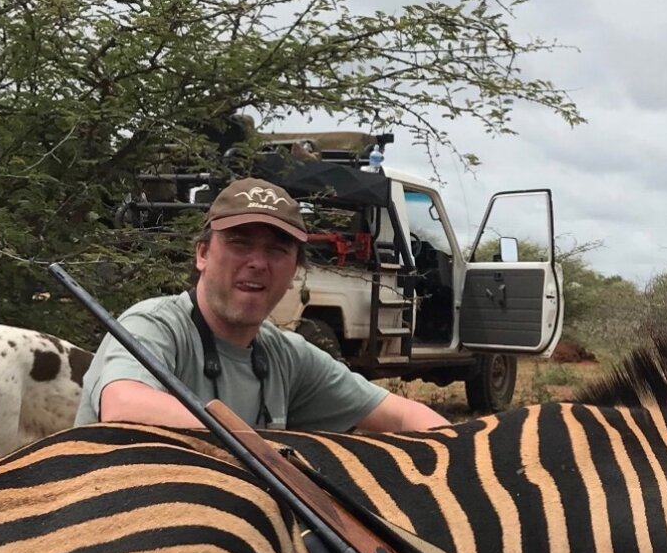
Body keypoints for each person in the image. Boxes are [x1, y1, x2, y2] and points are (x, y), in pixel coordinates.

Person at [76, 178, 451, 438]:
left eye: (277, 249)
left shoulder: (285, 355)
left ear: (295, 271)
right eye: (240, 243)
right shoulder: (154, 325)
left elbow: (402, 414)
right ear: (203, 254)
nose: (258, 262)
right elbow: (124, 404)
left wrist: (468, 451)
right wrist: (263, 446)